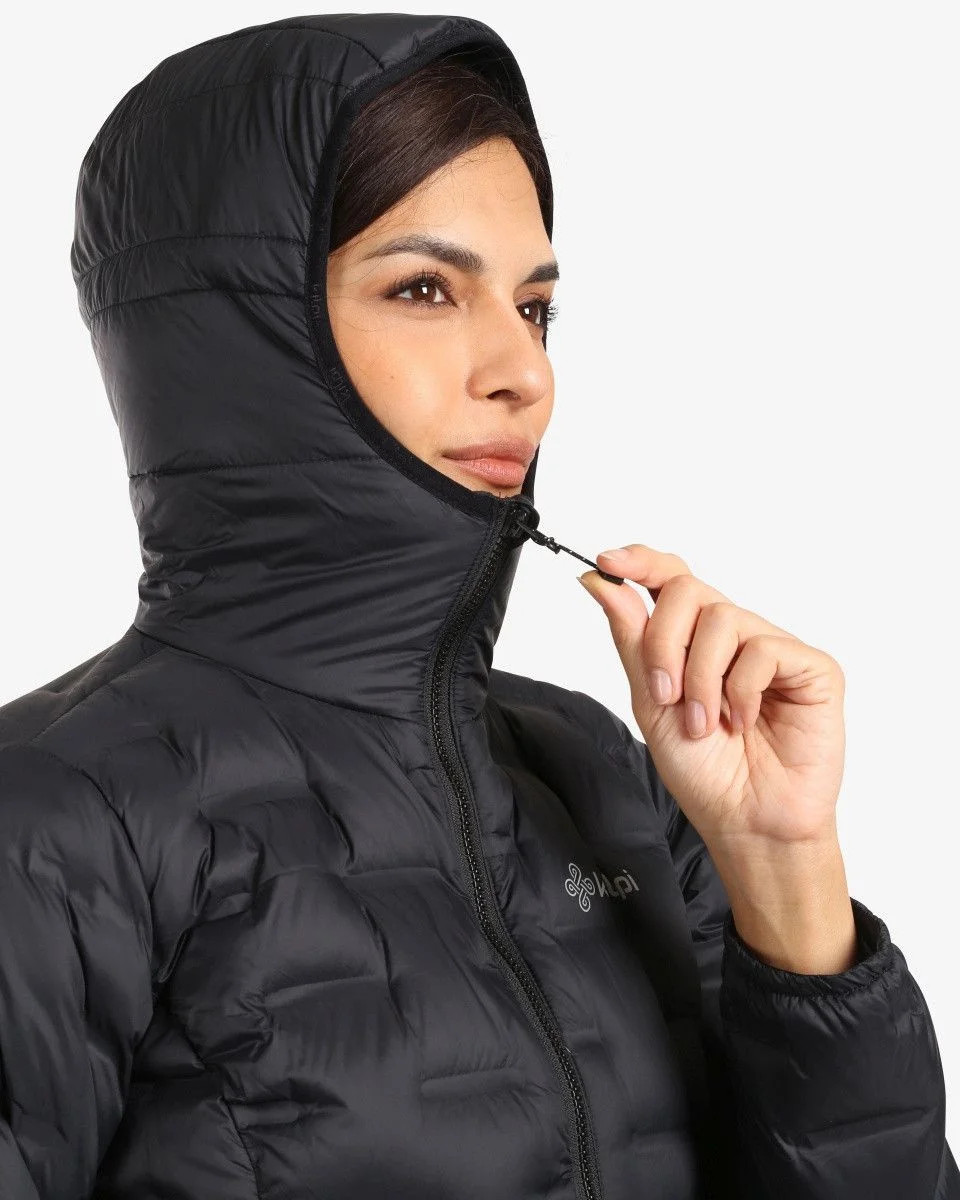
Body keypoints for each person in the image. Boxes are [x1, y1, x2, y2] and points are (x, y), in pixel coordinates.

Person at [0, 12, 955, 1200]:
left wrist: (783, 867)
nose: (526, 374)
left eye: (535, 306)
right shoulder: (54, 818)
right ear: (229, 337)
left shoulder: (610, 776)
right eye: (424, 289)